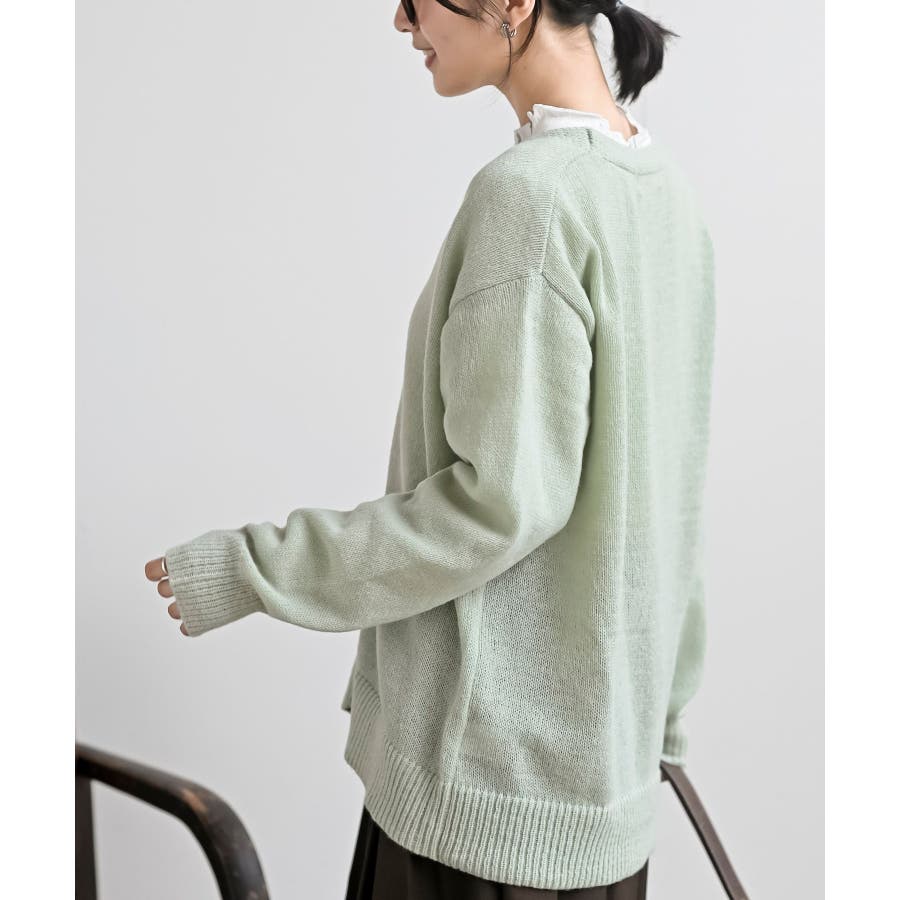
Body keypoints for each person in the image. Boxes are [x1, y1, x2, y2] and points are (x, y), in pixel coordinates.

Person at [144, 1, 714, 897]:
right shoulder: (666, 190)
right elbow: (675, 496)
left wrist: (254, 567)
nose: (401, 20)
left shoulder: (532, 199)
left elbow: (496, 505)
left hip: (479, 799)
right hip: (606, 790)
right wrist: (659, 723)